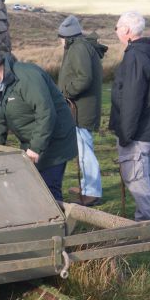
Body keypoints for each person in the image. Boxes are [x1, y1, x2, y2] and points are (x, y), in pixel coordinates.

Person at [0, 50, 77, 201]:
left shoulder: (27, 77)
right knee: (33, 189)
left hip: (55, 140)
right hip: (31, 142)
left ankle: (59, 223)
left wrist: (36, 147)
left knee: (50, 192)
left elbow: (45, 113)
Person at [110, 11, 150, 221]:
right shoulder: (149, 53)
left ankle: (148, 224)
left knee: (135, 177)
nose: (116, 32)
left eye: (116, 28)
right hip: (149, 127)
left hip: (137, 130)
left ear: (125, 30)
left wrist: (125, 134)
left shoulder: (135, 55)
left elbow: (132, 99)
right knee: (142, 174)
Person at [56, 15, 108, 206]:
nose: (60, 41)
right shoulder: (79, 46)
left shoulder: (78, 48)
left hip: (80, 108)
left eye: (61, 37)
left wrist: (66, 92)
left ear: (66, 36)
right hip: (80, 107)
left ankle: (92, 191)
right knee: (83, 148)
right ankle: (87, 187)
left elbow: (84, 78)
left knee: (85, 149)